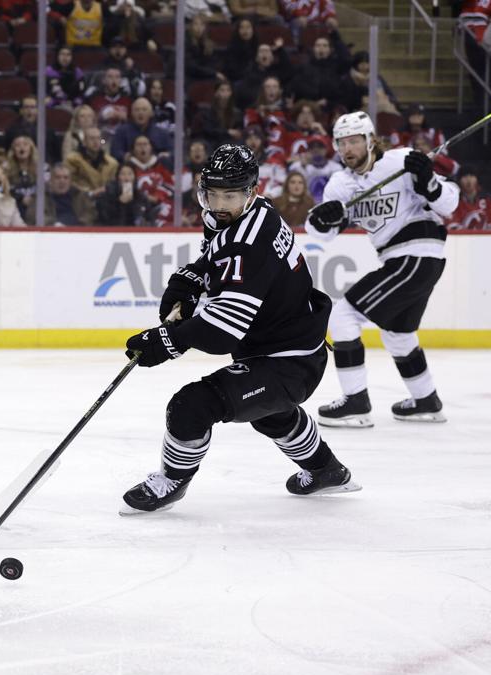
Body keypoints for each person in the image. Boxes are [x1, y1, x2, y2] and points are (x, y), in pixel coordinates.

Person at [120, 143, 359, 515]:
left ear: (252, 192)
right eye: (212, 193)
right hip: (284, 348)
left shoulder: (248, 243)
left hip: (289, 362)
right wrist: (193, 276)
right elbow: (218, 261)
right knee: (271, 414)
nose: (219, 203)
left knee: (191, 405)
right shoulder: (248, 214)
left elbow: (222, 331)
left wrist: (168, 341)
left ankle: (172, 480)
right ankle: (327, 470)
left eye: (229, 194)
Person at [304, 112, 458, 427]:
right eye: (342, 142)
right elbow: (323, 233)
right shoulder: (342, 184)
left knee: (343, 314)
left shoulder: (401, 161)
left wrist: (428, 183)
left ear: (371, 140)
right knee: (398, 334)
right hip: (407, 261)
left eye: (355, 140)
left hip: (417, 253)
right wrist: (321, 219)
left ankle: (356, 402)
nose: (348, 148)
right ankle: (426, 400)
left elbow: (449, 203)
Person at [27, 163, 97, 226]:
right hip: (50, 234)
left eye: (66, 178)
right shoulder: (42, 196)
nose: (62, 181)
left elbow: (90, 214)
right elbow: (35, 216)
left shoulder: (81, 196)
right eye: (58, 177)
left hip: (77, 234)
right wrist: (54, 225)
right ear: (51, 180)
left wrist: (77, 226)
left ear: (70, 181)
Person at [110, 97, 174, 162]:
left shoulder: (161, 133)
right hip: (130, 168)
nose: (140, 113)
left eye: (144, 110)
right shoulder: (122, 131)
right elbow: (115, 152)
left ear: (151, 113)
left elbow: (173, 152)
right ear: (131, 113)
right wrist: (125, 156)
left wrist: (166, 155)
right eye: (137, 110)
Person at [65, 126, 119, 198]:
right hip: (81, 199)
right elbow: (70, 183)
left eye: (98, 138)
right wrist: (90, 193)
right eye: (92, 138)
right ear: (84, 142)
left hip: (105, 200)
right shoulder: (72, 160)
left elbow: (113, 184)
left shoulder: (112, 163)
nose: (95, 141)